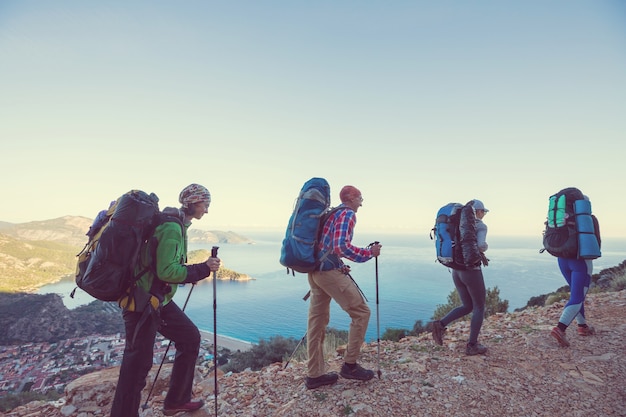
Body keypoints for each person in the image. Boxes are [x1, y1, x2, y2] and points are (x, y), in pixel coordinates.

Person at [110, 184, 221, 417]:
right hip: (141, 302)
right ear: (193, 203)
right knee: (137, 364)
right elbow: (167, 271)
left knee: (189, 337)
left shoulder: (177, 224)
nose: (207, 210)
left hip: (156, 300)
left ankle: (176, 401)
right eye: (205, 204)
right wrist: (202, 269)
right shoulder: (171, 227)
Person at [305, 185, 382, 389]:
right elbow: (341, 246)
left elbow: (329, 247)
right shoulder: (347, 214)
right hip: (328, 273)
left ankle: (314, 375)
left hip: (315, 272)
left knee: (317, 323)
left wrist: (337, 262)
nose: (362, 203)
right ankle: (350, 365)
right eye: (360, 198)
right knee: (362, 312)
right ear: (351, 198)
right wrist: (368, 253)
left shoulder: (331, 213)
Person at [431, 199, 489, 356]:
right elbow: (481, 245)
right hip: (471, 271)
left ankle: (440, 324)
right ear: (477, 212)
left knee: (467, 305)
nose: (484, 215)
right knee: (479, 306)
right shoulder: (480, 226)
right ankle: (472, 345)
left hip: (457, 270)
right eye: (483, 211)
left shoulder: (457, 224)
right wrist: (484, 248)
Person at [550, 195, 599, 347]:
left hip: (562, 259)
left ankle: (582, 326)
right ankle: (560, 328)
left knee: (576, 293)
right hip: (580, 262)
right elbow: (595, 242)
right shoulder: (589, 220)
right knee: (578, 297)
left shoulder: (561, 220)